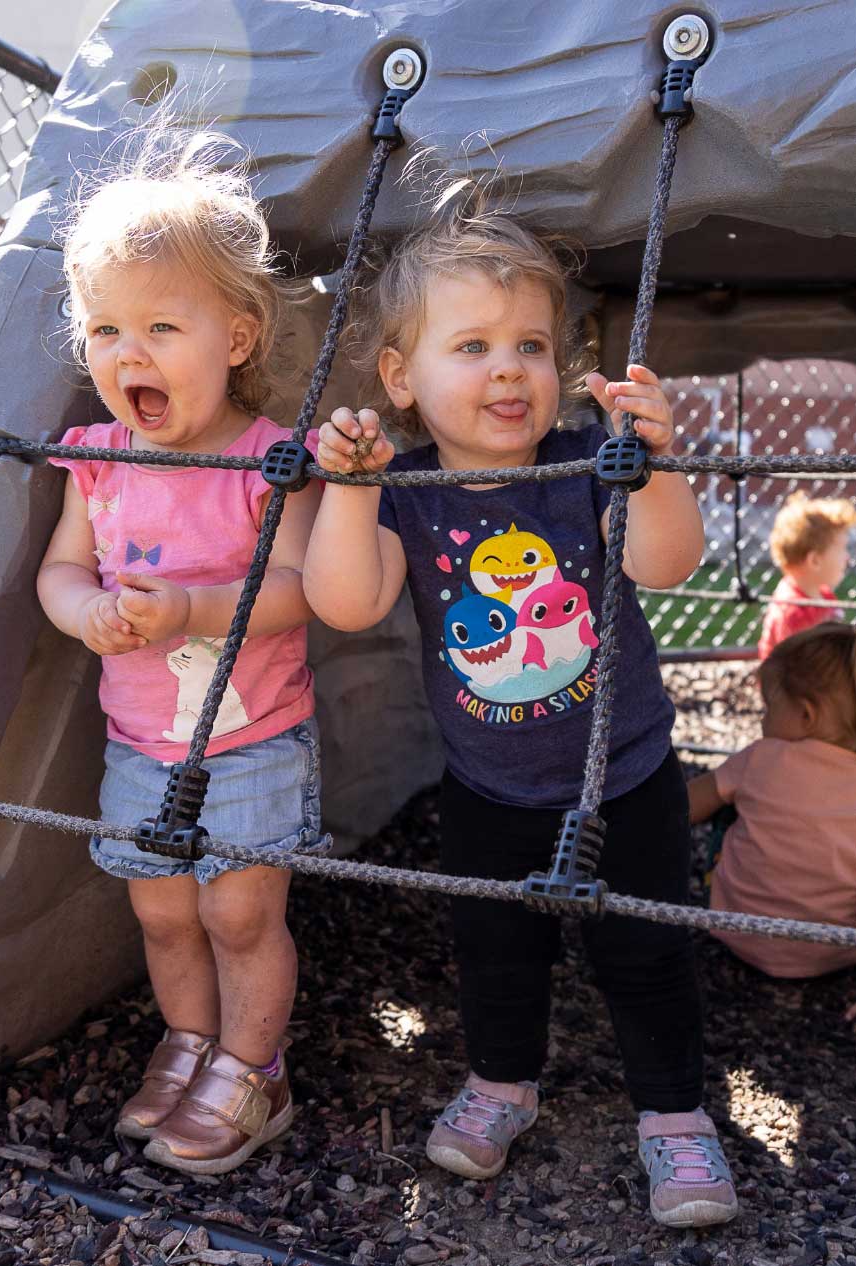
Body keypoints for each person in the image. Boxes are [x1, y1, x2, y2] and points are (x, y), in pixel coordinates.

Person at [303, 206, 738, 1228]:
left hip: (621, 774)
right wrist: (352, 493)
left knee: (645, 952)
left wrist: (651, 461)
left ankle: (673, 1116)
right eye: (473, 347)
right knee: (496, 949)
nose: (508, 370)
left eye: (529, 347)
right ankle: (504, 1083)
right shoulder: (410, 491)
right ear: (402, 381)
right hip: (486, 786)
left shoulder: (587, 461)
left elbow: (666, 564)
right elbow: (346, 602)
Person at [36, 131, 325, 1176]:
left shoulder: (264, 462)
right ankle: (190, 1044)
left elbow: (302, 595)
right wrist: (85, 615)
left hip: (252, 738)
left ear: (238, 336)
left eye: (163, 324)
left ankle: (255, 1069)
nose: (132, 353)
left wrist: (194, 611)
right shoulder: (94, 460)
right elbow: (61, 572)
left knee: (239, 909)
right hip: (140, 739)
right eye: (107, 327)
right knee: (161, 909)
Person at [689, 622, 856, 978]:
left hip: (737, 930)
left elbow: (681, 808)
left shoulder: (763, 757)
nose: (763, 722)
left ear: (806, 716)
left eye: (769, 708)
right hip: (834, 951)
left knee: (727, 808)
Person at [757, 492, 855, 660]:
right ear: (814, 560)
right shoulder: (792, 613)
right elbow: (802, 674)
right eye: (842, 548)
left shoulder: (823, 595)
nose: (847, 557)